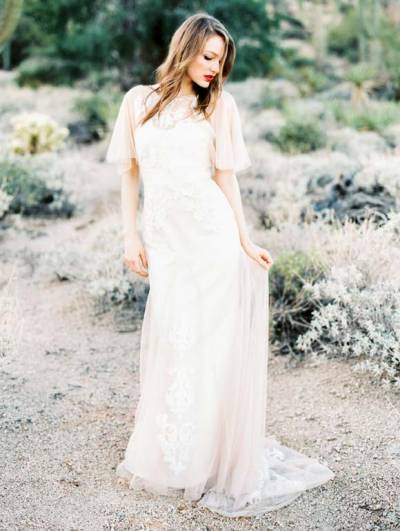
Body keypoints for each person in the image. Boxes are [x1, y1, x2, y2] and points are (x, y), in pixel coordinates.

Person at [105, 12, 334, 518]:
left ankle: (209, 459)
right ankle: (174, 454)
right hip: (166, 241)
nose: (215, 68)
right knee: (174, 334)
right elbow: (130, 176)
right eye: (209, 56)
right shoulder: (137, 102)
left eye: (221, 61)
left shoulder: (221, 107)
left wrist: (245, 240)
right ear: (185, 47)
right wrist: (129, 236)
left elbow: (226, 180)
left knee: (210, 343)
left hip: (212, 238)